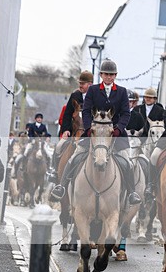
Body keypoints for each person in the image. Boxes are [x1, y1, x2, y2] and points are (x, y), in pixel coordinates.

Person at [50, 59, 142, 205]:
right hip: (93, 132)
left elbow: (126, 113)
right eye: (106, 74)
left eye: (111, 75)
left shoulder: (122, 92)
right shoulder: (93, 90)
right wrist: (88, 128)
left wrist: (118, 128)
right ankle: (62, 186)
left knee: (127, 162)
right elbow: (86, 111)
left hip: (115, 135)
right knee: (74, 156)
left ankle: (131, 192)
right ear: (101, 75)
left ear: (115, 75)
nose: (108, 77)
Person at [48, 70, 94, 182]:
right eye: (80, 83)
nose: (80, 85)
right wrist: (66, 130)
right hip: (74, 131)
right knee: (59, 147)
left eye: (83, 83)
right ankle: (55, 171)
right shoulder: (75, 95)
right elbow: (67, 114)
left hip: (89, 132)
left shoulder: (96, 96)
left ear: (90, 84)